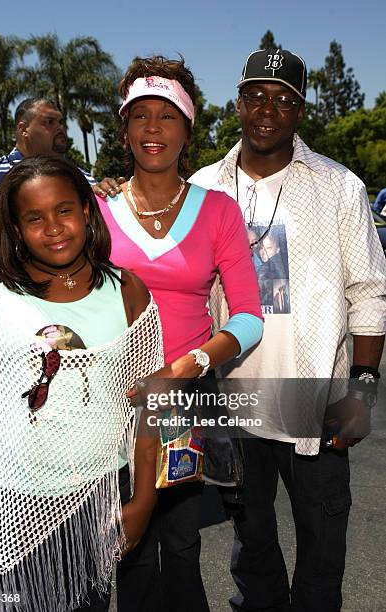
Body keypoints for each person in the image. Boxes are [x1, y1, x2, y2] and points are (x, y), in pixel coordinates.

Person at [189, 48, 386, 612]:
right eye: (256, 95)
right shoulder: (204, 187)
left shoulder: (339, 187)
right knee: (252, 544)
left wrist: (363, 391)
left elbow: (370, 290)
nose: (267, 109)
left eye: (283, 99)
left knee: (323, 543)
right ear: (239, 104)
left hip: (316, 397)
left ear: (300, 111)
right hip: (233, 397)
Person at [97, 55, 263, 612]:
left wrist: (186, 367)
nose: (152, 128)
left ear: (187, 129)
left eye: (166, 116)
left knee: (182, 543)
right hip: (111, 401)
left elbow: (247, 317)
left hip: (183, 399)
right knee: (128, 546)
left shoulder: (218, 211)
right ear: (123, 129)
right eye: (139, 115)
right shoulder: (97, 211)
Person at [0, 156, 163, 612]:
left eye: (64, 210)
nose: (53, 227)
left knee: (88, 605)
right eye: (35, 218)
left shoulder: (128, 292)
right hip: (13, 501)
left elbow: (149, 402)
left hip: (97, 497)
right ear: (15, 228)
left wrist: (145, 499)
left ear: (88, 211)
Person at [0, 97, 95, 298]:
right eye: (49, 122)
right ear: (23, 129)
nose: (59, 128)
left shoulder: (86, 182)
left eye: (60, 122)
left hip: (78, 305)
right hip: (1, 312)